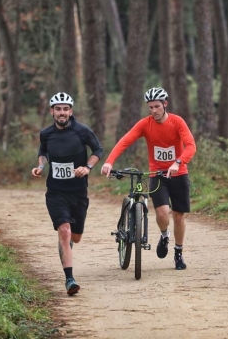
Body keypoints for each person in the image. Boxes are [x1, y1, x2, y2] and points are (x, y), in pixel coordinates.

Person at [101, 87, 196, 270]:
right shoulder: (145, 124)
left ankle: (178, 253)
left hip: (178, 173)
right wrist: (109, 162)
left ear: (165, 105)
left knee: (178, 215)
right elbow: (125, 140)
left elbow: (191, 146)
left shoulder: (177, 122)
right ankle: (164, 235)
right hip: (157, 175)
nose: (153, 111)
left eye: (157, 107)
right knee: (162, 213)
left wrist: (178, 162)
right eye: (150, 107)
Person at [32, 92, 103, 295]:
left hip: (78, 191)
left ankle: (68, 244)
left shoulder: (82, 131)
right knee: (64, 230)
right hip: (55, 192)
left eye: (65, 109)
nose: (62, 113)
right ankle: (70, 279)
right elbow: (43, 152)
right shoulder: (46, 133)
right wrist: (40, 166)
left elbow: (98, 149)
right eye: (58, 109)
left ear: (71, 111)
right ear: (52, 112)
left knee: (76, 236)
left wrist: (88, 167)